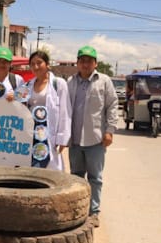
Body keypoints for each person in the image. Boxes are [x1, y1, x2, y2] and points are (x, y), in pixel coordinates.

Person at [66, 45, 118, 225]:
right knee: (76, 177)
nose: (85, 64)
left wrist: (110, 131)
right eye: (82, 61)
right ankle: (78, 210)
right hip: (74, 140)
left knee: (95, 178)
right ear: (77, 63)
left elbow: (112, 105)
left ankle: (93, 212)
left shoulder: (104, 81)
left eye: (89, 61)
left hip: (96, 139)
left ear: (95, 63)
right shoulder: (70, 82)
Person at [24, 50, 71, 171]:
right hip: (30, 132)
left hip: (48, 132)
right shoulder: (27, 85)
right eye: (32, 64)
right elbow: (19, 104)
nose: (36, 66)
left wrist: (62, 138)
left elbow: (65, 112)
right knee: (33, 166)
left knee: (50, 168)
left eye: (39, 63)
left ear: (47, 64)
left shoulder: (58, 84)